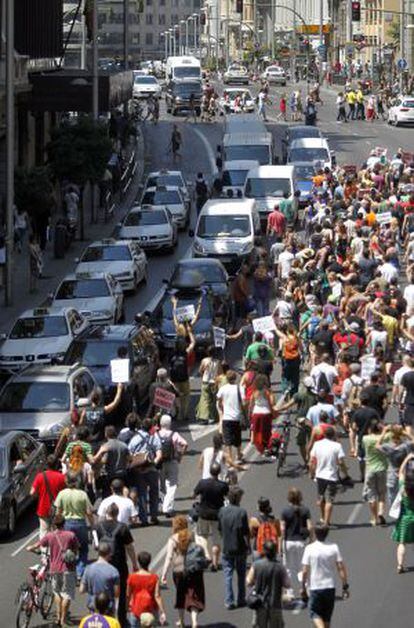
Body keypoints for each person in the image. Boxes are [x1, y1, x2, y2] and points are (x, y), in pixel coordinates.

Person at [26, 514, 79, 628]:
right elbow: (76, 548)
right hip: (68, 569)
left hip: (54, 569)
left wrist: (30, 547)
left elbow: (38, 544)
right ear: (64, 524)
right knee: (67, 595)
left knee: (57, 593)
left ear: (54, 524)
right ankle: (63, 620)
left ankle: (58, 616)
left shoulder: (50, 536)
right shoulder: (71, 535)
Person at [95, 502, 138, 627]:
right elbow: (130, 547)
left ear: (106, 513)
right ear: (117, 514)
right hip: (119, 564)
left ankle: (103, 618)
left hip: (103, 562)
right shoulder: (123, 527)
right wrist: (134, 563)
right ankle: (121, 620)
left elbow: (96, 545)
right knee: (121, 591)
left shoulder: (97, 527)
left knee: (102, 590)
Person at [161, 515, 205, 628]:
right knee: (193, 595)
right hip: (193, 570)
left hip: (178, 571)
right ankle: (194, 621)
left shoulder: (172, 539)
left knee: (181, 595)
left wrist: (164, 574)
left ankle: (181, 621)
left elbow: (169, 557)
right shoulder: (192, 535)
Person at [301, 525, 349, 628]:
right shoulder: (333, 547)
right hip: (330, 587)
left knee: (314, 613)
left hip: (315, 587)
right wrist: (345, 586)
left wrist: (303, 587)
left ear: (315, 533)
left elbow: (305, 571)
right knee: (326, 618)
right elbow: (340, 568)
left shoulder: (309, 548)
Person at [54, 471, 94, 579]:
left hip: (66, 524)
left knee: (67, 549)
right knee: (83, 548)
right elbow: (89, 513)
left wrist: (56, 526)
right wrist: (93, 525)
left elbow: (58, 512)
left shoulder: (62, 494)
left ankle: (69, 571)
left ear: (66, 481)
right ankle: (80, 572)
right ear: (77, 481)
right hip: (80, 523)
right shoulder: (83, 494)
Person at [309, 426, 349, 527]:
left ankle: (323, 518)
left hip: (319, 476)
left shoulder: (317, 444)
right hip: (332, 476)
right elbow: (340, 462)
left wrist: (312, 473)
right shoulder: (337, 446)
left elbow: (312, 461)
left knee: (321, 498)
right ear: (333, 435)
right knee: (329, 500)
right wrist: (345, 473)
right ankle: (326, 522)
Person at [218, 486, 250, 610]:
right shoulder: (241, 512)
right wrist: (248, 546)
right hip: (240, 547)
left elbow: (220, 529)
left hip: (227, 547)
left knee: (228, 574)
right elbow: (246, 532)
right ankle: (241, 599)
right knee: (241, 574)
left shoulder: (222, 511)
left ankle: (229, 601)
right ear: (237, 498)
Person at [246, 540, 290, 628]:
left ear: (264, 551)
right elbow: (287, 584)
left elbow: (248, 581)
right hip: (275, 604)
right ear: (275, 552)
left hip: (260, 603)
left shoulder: (256, 565)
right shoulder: (280, 567)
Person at [193, 462, 229, 570]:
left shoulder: (202, 483)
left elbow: (193, 494)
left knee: (201, 535)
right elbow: (228, 496)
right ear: (219, 472)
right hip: (217, 515)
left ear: (210, 471)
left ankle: (206, 555)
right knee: (216, 540)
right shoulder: (223, 485)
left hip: (203, 513)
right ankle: (215, 563)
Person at [128, 418, 163, 526]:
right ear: (150, 428)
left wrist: (136, 463)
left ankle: (143, 519)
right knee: (154, 493)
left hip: (139, 470)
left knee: (142, 494)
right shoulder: (154, 437)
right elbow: (159, 455)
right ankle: (154, 516)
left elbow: (129, 454)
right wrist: (153, 463)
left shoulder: (135, 439)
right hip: (151, 470)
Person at [280, 487, 313, 598]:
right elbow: (310, 527)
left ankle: (289, 592)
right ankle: (305, 588)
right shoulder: (305, 510)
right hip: (301, 541)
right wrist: (311, 540)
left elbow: (282, 529)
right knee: (302, 567)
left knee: (287, 568)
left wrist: (280, 545)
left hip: (288, 541)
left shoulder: (285, 511)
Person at [158, 413, 188, 516]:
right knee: (172, 485)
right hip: (172, 461)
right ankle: (168, 508)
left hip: (160, 462)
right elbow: (184, 444)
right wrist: (180, 456)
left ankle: (162, 504)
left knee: (161, 484)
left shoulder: (156, 434)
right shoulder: (174, 434)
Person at [127, 551, 166, 627]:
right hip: (150, 610)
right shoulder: (154, 578)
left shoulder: (132, 577)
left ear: (139, 562)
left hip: (136, 609)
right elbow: (157, 596)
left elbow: (128, 594)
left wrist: (126, 606)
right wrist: (162, 611)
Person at [30, 454, 66, 538]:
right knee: (57, 532)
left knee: (44, 531)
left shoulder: (40, 476)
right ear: (57, 465)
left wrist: (39, 495)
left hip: (43, 508)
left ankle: (44, 549)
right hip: (57, 509)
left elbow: (32, 492)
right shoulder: (61, 477)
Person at [80, 542, 120, 614]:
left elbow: (81, 590)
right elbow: (116, 593)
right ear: (109, 553)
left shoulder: (88, 568)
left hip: (93, 606)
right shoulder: (113, 571)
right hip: (108, 608)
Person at [362, 421, 388, 526]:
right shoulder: (384, 438)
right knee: (382, 493)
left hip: (370, 469)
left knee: (371, 495)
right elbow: (388, 433)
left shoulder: (365, 439)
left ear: (370, 429)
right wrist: (384, 429)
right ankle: (381, 512)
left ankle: (374, 518)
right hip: (382, 469)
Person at [216, 370, 245, 464]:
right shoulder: (239, 388)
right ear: (235, 378)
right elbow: (244, 402)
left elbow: (219, 399)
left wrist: (221, 407)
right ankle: (239, 455)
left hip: (226, 417)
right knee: (237, 437)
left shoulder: (223, 388)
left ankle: (230, 458)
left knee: (227, 439)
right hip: (236, 417)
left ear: (227, 379)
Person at [392, 453, 414, 573]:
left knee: (402, 543)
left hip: (405, 518)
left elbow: (400, 473)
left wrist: (407, 459)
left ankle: (400, 565)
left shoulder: (403, 487)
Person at [93, 425, 130, 497]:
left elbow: (97, 459)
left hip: (111, 475)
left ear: (106, 434)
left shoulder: (106, 446)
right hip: (122, 474)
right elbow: (130, 459)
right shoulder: (124, 445)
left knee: (107, 495)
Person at [169, 333, 196, 422]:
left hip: (174, 380)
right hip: (184, 378)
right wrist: (190, 332)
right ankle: (184, 414)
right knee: (186, 397)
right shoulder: (185, 353)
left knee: (176, 396)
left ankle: (176, 413)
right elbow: (193, 343)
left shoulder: (171, 354)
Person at [248, 374, 275, 455]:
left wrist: (249, 413)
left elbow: (251, 405)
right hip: (266, 413)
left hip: (256, 413)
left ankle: (260, 447)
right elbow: (272, 402)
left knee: (257, 431)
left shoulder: (254, 392)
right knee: (266, 431)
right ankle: (267, 446)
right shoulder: (268, 391)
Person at [196, 346, 222, 424]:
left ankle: (204, 417)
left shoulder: (204, 360)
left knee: (205, 400)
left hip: (205, 381)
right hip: (214, 382)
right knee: (214, 400)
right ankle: (215, 417)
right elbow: (220, 373)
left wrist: (203, 373)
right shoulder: (218, 362)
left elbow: (200, 370)